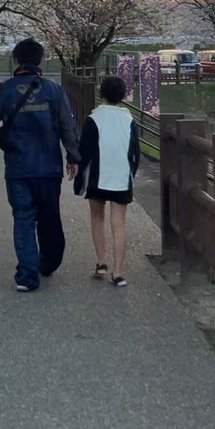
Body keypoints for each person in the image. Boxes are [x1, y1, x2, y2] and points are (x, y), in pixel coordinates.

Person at [0, 38, 80, 292]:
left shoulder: (6, 90)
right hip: (48, 168)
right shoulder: (53, 90)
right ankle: (48, 263)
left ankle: (27, 276)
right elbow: (67, 126)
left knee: (23, 219)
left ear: (16, 60)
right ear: (40, 60)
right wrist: (73, 157)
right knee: (49, 217)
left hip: (19, 168)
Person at [74, 75, 140, 288]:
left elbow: (84, 151)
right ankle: (118, 272)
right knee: (119, 223)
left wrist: (78, 175)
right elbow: (135, 153)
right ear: (122, 96)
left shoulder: (94, 118)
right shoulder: (129, 120)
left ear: (101, 94)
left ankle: (101, 262)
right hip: (121, 178)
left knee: (97, 217)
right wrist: (131, 173)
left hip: (97, 177)